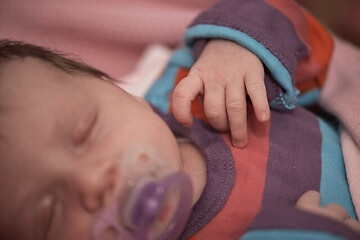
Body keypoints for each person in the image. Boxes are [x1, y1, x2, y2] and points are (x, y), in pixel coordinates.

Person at [0, 0, 360, 239]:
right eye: (49, 214)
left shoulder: (191, 85)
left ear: (122, 92)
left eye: (86, 131)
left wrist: (238, 47)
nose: (92, 183)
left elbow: (288, 23)